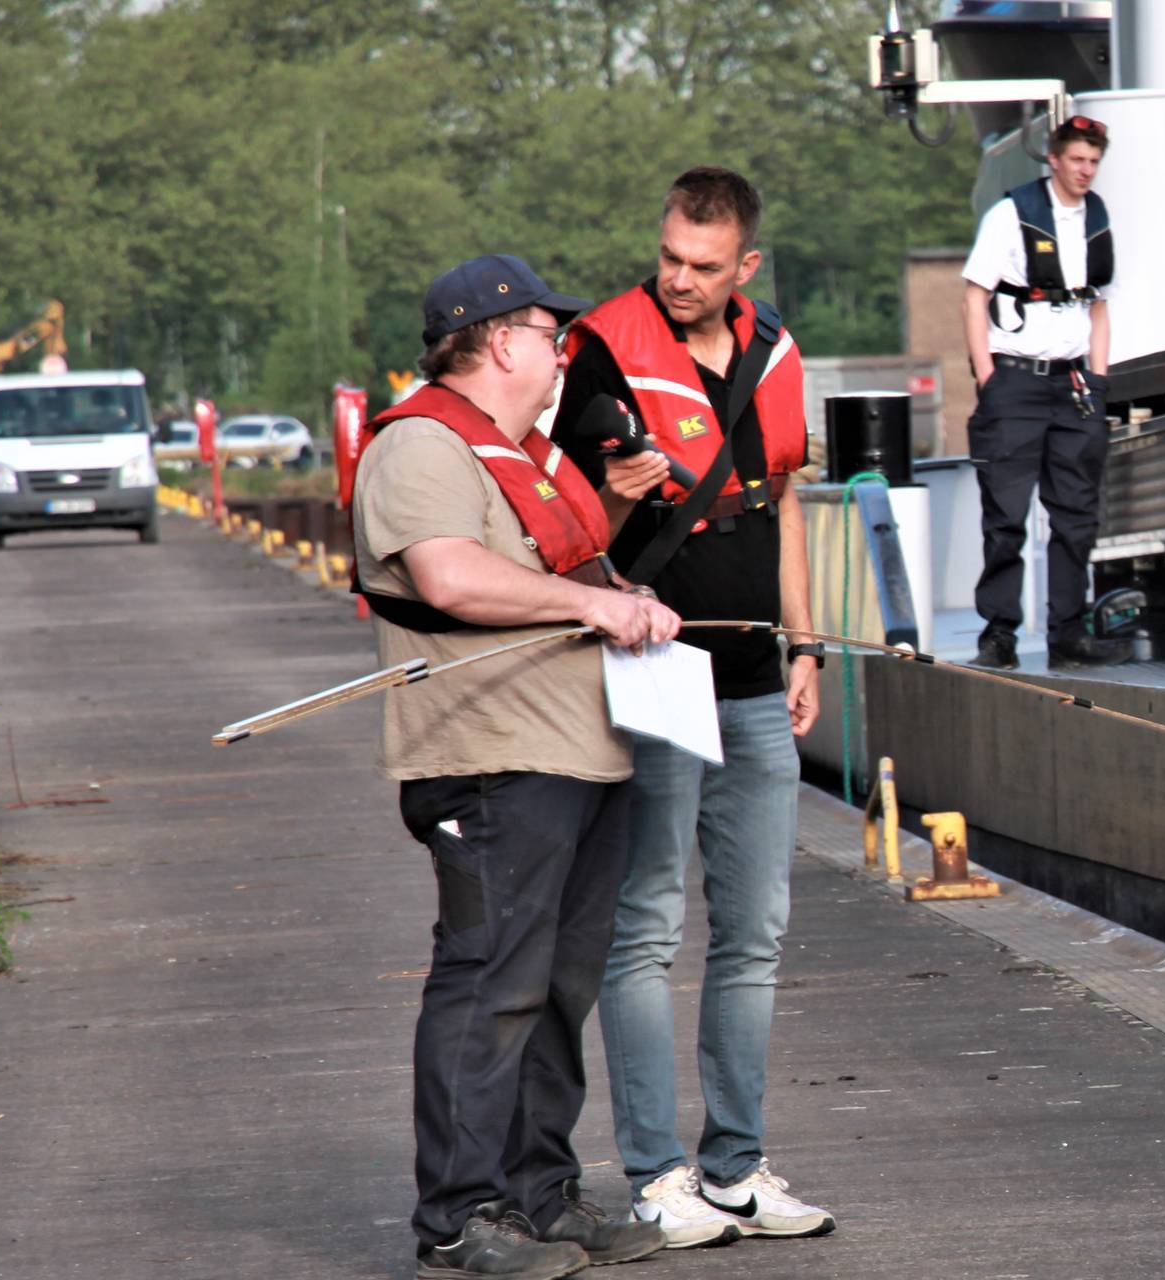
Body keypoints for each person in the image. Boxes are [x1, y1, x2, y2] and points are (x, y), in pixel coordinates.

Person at [352, 254, 680, 1280]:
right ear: (499, 339)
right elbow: (450, 574)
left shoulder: (518, 451)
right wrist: (592, 605)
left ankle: (540, 1195)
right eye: (550, 335)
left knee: (556, 987)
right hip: (492, 760)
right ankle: (459, 1216)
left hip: (578, 753)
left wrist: (624, 590)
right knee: (491, 980)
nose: (561, 354)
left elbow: (564, 570)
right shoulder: (421, 443)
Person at [552, 166, 835, 1249]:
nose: (678, 277)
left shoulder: (778, 349)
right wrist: (608, 492)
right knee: (648, 924)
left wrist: (806, 643)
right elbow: (560, 506)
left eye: (702, 265)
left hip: (759, 669)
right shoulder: (603, 344)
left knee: (755, 928)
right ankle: (655, 1171)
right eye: (669, 255)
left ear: (744, 267)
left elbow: (789, 504)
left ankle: (735, 1164)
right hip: (655, 668)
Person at [961, 114, 1124, 669]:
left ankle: (1068, 632)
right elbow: (973, 297)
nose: (1086, 171)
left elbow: (1098, 304)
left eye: (1094, 162)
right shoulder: (1011, 215)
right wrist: (987, 377)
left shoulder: (1096, 219)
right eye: (1077, 160)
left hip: (1075, 385)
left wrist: (1099, 380)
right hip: (1015, 383)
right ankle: (999, 634)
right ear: (1053, 159)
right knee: (1006, 516)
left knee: (1077, 516)